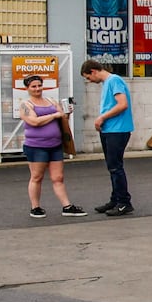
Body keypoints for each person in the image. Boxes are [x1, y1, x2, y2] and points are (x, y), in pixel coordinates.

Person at [18, 75, 85, 218]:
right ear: (27, 88)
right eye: (34, 86)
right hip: (36, 146)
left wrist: (66, 112)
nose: (37, 89)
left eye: (39, 85)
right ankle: (35, 207)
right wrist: (55, 115)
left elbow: (63, 117)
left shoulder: (51, 101)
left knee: (58, 177)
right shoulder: (26, 104)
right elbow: (34, 121)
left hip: (55, 145)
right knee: (37, 176)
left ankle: (67, 206)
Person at [79, 59, 134, 216]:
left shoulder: (114, 80)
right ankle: (116, 199)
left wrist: (102, 118)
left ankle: (124, 202)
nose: (90, 81)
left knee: (116, 167)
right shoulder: (107, 83)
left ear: (93, 71)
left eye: (88, 77)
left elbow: (122, 104)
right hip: (110, 129)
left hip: (117, 130)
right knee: (112, 167)